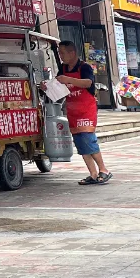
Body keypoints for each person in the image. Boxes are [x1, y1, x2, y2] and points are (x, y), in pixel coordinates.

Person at [52, 41, 111, 185]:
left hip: (86, 110)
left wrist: (68, 80)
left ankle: (104, 170)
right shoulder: (63, 68)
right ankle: (93, 173)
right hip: (72, 110)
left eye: (63, 53)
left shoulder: (84, 67)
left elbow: (88, 83)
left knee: (88, 138)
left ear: (72, 53)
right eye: (59, 53)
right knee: (80, 142)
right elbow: (57, 84)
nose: (60, 55)